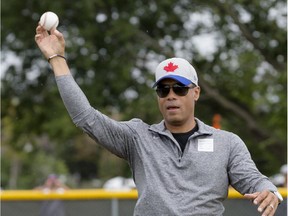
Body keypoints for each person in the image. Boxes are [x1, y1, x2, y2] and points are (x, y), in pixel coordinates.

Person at [35, 24, 283, 216]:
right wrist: (57, 59)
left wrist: (268, 190)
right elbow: (85, 117)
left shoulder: (226, 143)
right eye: (163, 90)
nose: (171, 95)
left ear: (196, 92)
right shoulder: (137, 137)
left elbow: (253, 180)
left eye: (180, 88)